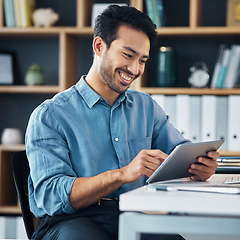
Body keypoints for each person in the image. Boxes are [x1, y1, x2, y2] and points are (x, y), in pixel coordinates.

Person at [25, 5, 219, 240]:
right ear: (99, 46)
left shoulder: (146, 107)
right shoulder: (50, 115)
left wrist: (199, 166)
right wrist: (122, 174)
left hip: (129, 216)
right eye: (128, 55)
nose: (134, 69)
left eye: (142, 60)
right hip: (69, 222)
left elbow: (179, 153)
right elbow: (51, 196)